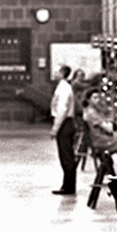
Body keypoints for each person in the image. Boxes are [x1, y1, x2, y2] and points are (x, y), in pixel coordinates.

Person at [50, 65, 77, 195]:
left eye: (56, 71)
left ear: (62, 73)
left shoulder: (64, 88)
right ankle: (67, 184)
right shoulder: (62, 87)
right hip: (65, 123)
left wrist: (55, 128)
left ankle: (69, 186)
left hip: (65, 124)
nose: (54, 73)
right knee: (65, 156)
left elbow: (62, 110)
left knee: (66, 156)